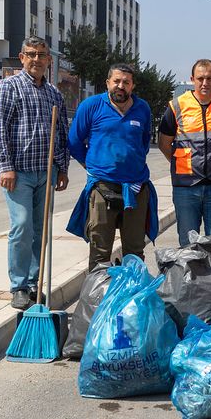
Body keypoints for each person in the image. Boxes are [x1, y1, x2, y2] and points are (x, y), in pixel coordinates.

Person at [0, 36, 69, 310]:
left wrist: (63, 168)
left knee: (40, 230)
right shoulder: (8, 88)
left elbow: (61, 134)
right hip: (18, 173)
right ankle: (19, 286)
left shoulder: (54, 94)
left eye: (41, 54)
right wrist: (6, 166)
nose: (36, 59)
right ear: (22, 57)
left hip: (46, 171)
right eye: (31, 54)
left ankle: (35, 283)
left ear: (49, 59)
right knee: (22, 226)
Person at [66, 63, 158, 272]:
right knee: (100, 253)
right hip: (102, 189)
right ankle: (97, 299)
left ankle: (131, 298)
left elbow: (143, 144)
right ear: (108, 83)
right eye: (116, 81)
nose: (121, 86)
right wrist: (91, 166)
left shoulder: (142, 108)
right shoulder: (91, 106)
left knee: (135, 253)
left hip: (135, 190)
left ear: (133, 85)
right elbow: (74, 142)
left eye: (126, 82)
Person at [158, 59, 211, 246]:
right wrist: (180, 161)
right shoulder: (176, 105)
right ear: (192, 79)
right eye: (200, 78)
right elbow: (164, 143)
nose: (205, 83)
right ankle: (189, 276)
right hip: (186, 187)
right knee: (187, 243)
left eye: (209, 78)